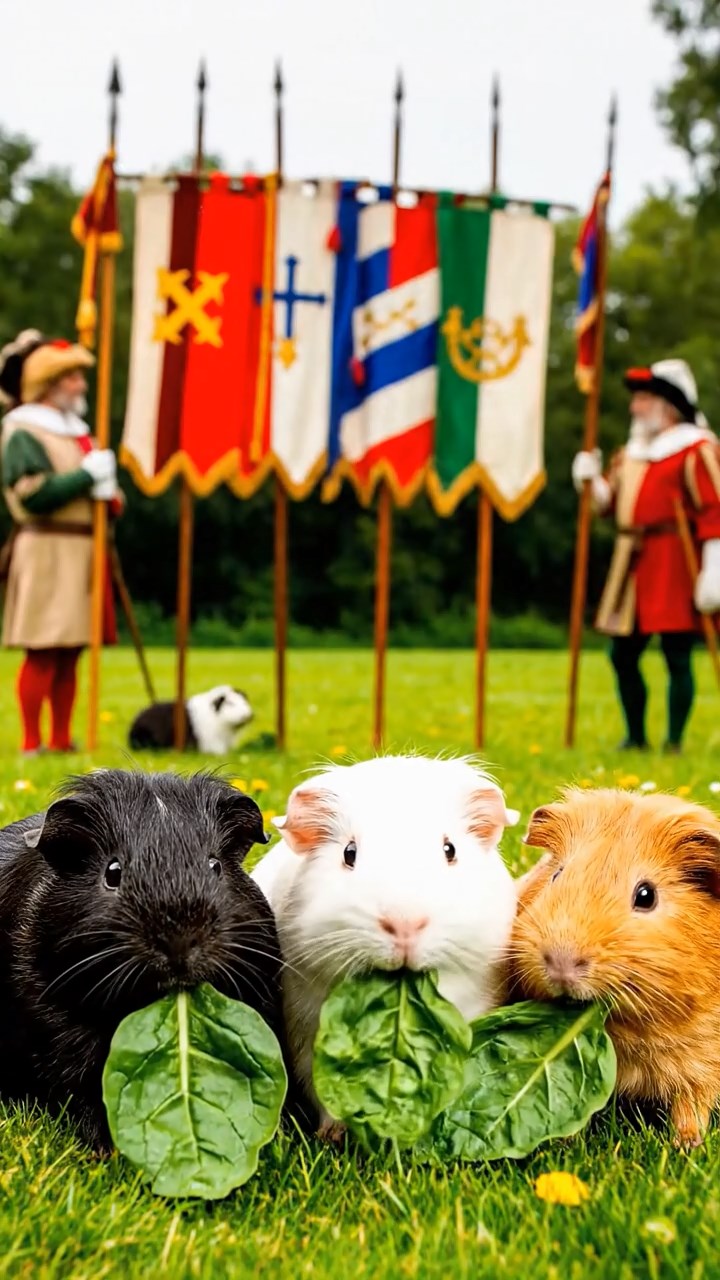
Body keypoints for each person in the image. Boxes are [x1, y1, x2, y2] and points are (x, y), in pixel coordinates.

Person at [573, 358, 720, 752]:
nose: (635, 407)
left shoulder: (696, 449)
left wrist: (714, 566)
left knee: (676, 653)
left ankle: (674, 741)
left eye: (644, 398)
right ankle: (635, 736)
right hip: (633, 560)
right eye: (636, 399)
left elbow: (714, 508)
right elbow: (609, 505)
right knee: (622, 653)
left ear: (668, 404)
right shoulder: (634, 452)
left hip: (676, 559)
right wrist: (589, 482)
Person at [0, 333, 120, 754]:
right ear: (49, 382)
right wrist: (87, 476)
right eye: (72, 377)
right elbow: (31, 494)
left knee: (70, 650)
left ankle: (62, 739)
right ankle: (32, 741)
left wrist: (107, 491)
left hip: (83, 548)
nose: (81, 386)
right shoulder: (23, 431)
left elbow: (91, 493)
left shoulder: (78, 433)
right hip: (46, 550)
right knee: (44, 648)